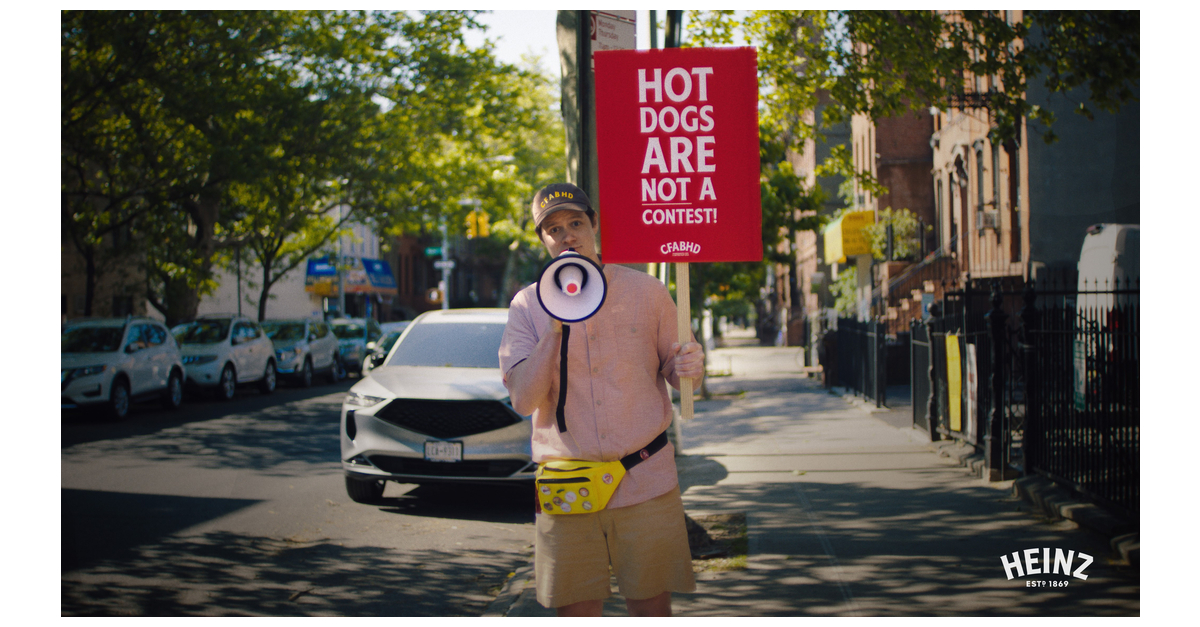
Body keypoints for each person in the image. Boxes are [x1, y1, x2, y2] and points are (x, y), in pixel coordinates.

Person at [499, 183, 705, 617]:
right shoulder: (526, 306)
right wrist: (555, 327)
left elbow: (678, 372)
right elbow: (522, 399)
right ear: (544, 241)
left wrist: (690, 367)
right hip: (567, 486)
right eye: (554, 229)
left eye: (576, 223)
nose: (567, 235)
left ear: (594, 226)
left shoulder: (645, 292)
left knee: (651, 607)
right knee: (576, 611)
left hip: (645, 478)